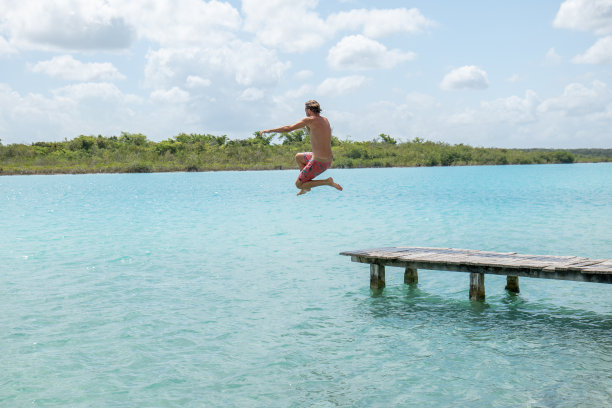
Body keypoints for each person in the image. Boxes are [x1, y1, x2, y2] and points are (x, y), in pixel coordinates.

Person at [261, 100, 343, 195]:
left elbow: (289, 128)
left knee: (298, 184)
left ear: (308, 110)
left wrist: (269, 130)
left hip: (319, 162)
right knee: (299, 157)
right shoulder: (325, 120)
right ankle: (306, 187)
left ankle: (326, 182)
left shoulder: (309, 120)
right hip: (328, 160)